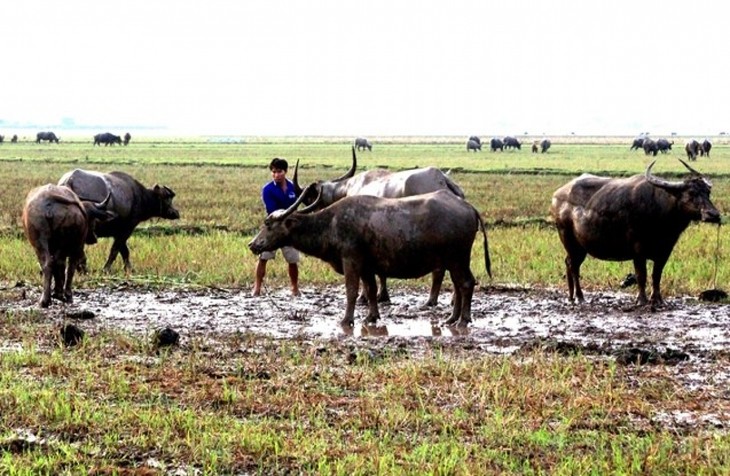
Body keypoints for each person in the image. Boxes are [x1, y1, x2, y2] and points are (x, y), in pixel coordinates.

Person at [252, 157, 301, 297]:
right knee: (263, 257)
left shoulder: (293, 187)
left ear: (285, 171)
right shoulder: (267, 189)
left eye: (279, 171)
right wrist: (290, 213)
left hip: (289, 229)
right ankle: (257, 288)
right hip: (273, 228)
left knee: (293, 260)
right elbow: (272, 210)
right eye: (273, 172)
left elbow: (298, 206)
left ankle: (295, 288)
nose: (276, 175)